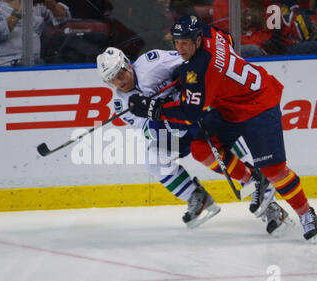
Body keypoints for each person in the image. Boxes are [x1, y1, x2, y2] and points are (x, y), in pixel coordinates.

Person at [128, 15, 317, 243]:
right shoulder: (210, 33)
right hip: (230, 106)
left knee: (275, 170)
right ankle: (253, 179)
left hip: (258, 104)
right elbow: (227, 39)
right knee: (201, 148)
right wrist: (189, 78)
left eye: (185, 43)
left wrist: (153, 109)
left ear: (198, 39)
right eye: (177, 43)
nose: (180, 49)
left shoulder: (199, 70)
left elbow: (190, 114)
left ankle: (306, 213)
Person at [97, 46, 292, 235]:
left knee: (229, 156)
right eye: (112, 80)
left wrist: (185, 77)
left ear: (127, 65)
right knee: (154, 161)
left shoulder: (153, 63)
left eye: (120, 74)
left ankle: (270, 208)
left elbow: (193, 60)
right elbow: (149, 132)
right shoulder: (121, 103)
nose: (119, 82)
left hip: (198, 113)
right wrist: (154, 111)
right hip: (175, 127)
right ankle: (197, 197)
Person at [0, 0, 71, 66]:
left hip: (35, 63)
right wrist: (19, 12)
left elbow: (63, 20)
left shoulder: (35, 3)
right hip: (2, 65)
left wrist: (52, 6)